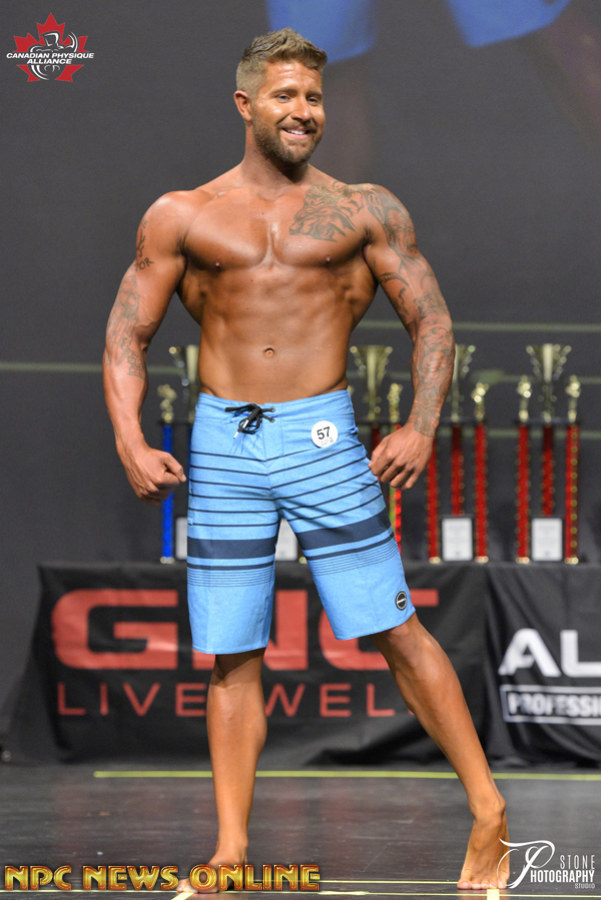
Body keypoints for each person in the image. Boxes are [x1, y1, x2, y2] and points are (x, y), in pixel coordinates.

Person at [103, 28, 509, 893]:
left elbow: (430, 319)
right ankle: (229, 854)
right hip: (222, 443)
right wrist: (131, 438)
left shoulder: (363, 208)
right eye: (285, 95)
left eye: (314, 97)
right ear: (245, 104)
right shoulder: (182, 213)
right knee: (231, 652)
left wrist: (419, 425)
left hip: (322, 438)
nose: (303, 111)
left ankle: (488, 813)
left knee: (393, 630)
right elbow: (127, 334)